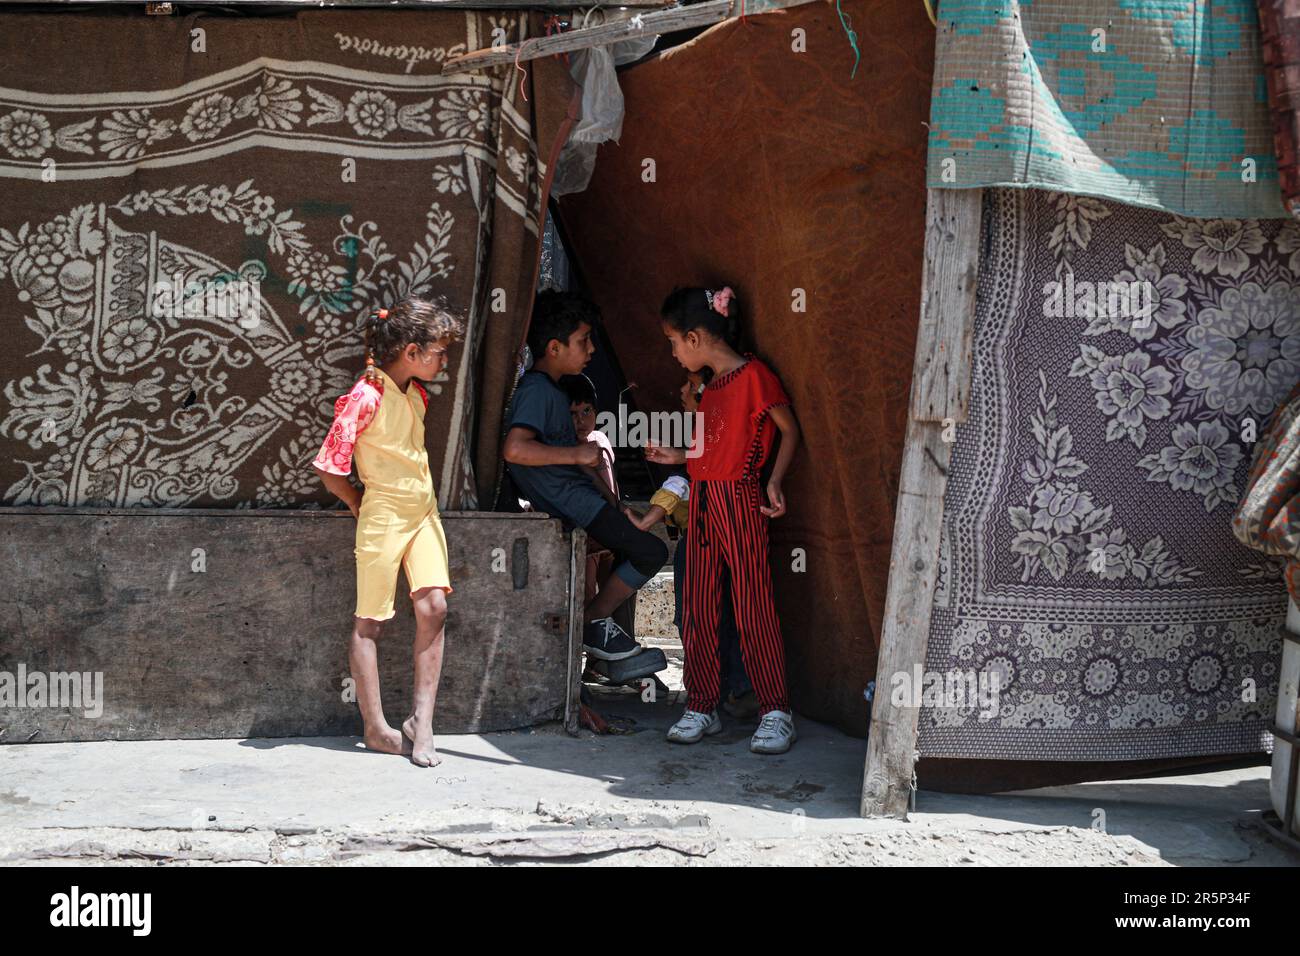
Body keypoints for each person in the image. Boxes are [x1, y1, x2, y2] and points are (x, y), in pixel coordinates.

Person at [647, 284, 801, 754]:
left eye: (674, 342)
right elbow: (710, 448)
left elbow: (789, 430)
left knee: (753, 604)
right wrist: (679, 454)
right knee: (698, 606)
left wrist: (773, 482)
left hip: (741, 500)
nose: (673, 353)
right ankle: (701, 705)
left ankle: (776, 711)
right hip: (705, 500)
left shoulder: (754, 376)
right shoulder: (710, 388)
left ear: (694, 338)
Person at [313, 297, 464, 768]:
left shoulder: (414, 393)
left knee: (434, 605)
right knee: (370, 621)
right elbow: (330, 469)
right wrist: (359, 503)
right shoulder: (365, 397)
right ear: (412, 352)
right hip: (381, 515)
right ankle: (376, 727)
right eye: (438, 352)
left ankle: (422, 720)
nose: (443, 360)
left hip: (423, 513)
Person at [503, 291, 668, 662]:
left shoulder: (555, 392)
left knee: (644, 549)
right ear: (555, 347)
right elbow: (515, 449)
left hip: (587, 502)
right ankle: (590, 626)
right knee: (650, 551)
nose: (591, 349)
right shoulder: (536, 390)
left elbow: (577, 464)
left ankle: (591, 627)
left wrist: (613, 501)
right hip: (574, 506)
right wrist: (575, 453)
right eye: (583, 341)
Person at [633, 375, 756, 718]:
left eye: (691, 385)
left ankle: (716, 695)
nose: (682, 391)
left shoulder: (711, 435)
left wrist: (646, 520)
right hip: (723, 536)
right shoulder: (703, 435)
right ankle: (723, 693)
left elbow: (678, 485)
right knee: (721, 616)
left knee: (704, 618)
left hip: (710, 537)